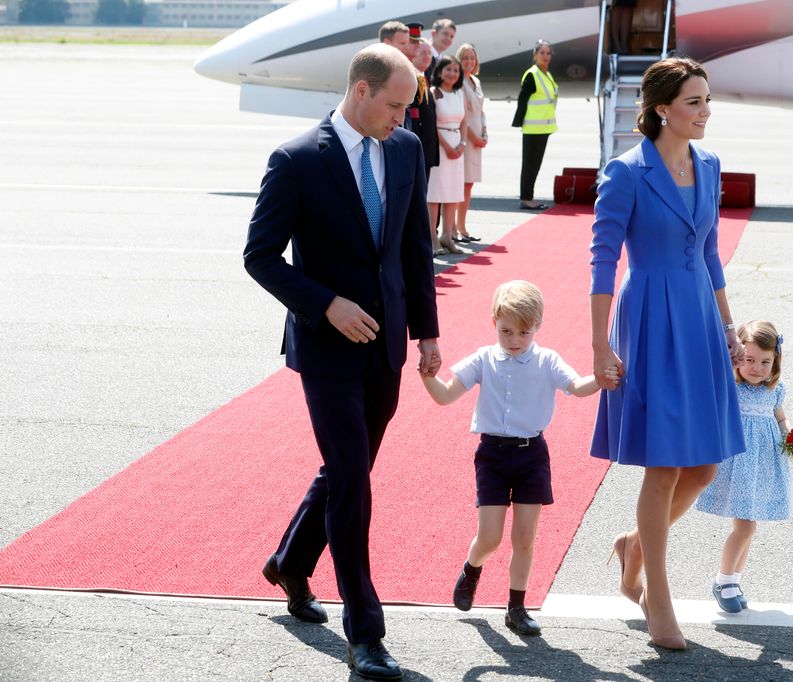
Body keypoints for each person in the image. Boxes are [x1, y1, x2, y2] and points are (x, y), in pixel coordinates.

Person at [244, 43, 441, 682]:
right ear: (360, 91)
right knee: (354, 478)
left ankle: (289, 562)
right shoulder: (297, 160)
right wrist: (324, 304)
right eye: (393, 104)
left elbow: (414, 249)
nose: (402, 117)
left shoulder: (406, 149)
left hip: (384, 345)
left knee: (344, 469)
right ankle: (367, 634)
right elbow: (261, 256)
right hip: (326, 346)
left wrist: (427, 333)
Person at [589, 57, 746, 651]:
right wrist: (600, 342)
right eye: (694, 103)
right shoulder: (625, 172)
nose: (705, 113)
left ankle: (633, 543)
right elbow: (603, 259)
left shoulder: (709, 164)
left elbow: (708, 251)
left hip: (700, 318)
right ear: (662, 109)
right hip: (649, 317)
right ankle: (658, 595)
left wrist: (729, 325)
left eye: (707, 101)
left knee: (703, 466)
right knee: (664, 464)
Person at [419, 280, 613, 636]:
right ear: (493, 322)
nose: (514, 340)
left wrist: (602, 378)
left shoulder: (546, 360)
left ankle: (516, 607)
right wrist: (427, 376)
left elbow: (577, 387)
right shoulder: (483, 359)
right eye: (506, 331)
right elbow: (446, 396)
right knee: (490, 537)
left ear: (538, 326)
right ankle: (472, 569)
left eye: (524, 332)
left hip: (532, 455)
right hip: (492, 454)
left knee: (524, 538)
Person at [694, 320, 791, 614]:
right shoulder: (731, 387)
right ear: (737, 358)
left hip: (763, 464)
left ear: (775, 363)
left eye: (765, 362)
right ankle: (723, 580)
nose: (757, 368)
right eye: (749, 360)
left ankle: (734, 580)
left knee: (750, 526)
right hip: (737, 463)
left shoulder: (775, 390)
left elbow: (780, 418)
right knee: (745, 525)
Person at [426, 53, 468, 256]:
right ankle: (432, 238)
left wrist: (462, 144)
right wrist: (447, 147)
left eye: (456, 70)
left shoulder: (460, 93)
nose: (452, 73)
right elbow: (432, 124)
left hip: (457, 143)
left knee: (452, 194)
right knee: (435, 195)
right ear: (440, 72)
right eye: (448, 69)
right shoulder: (434, 92)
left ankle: (447, 236)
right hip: (440, 145)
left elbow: (464, 121)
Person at [511, 40, 557, 211]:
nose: (545, 56)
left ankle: (529, 196)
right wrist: (518, 122)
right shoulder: (532, 74)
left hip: (543, 128)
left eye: (548, 53)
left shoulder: (547, 75)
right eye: (542, 53)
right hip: (532, 128)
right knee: (529, 164)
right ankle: (526, 198)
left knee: (535, 164)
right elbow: (522, 101)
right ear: (535, 56)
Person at [455, 43, 486, 243]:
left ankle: (462, 226)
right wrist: (474, 136)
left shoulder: (475, 81)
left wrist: (485, 133)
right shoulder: (459, 82)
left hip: (477, 139)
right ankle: (457, 228)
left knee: (469, 184)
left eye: (471, 58)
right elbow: (462, 113)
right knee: (460, 184)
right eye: (465, 57)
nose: (469, 61)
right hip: (465, 137)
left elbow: (481, 111)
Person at [406, 37, 440, 186]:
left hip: (427, 147)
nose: (427, 56)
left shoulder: (426, 78)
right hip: (418, 143)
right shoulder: (412, 77)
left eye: (429, 53)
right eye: (423, 52)